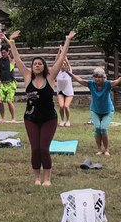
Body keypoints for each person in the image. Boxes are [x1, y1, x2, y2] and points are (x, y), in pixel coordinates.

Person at [7, 29, 75, 186]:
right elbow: (16, 58)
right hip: (31, 118)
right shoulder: (27, 77)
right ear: (32, 67)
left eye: (40, 63)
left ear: (44, 66)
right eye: (35, 64)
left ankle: (47, 178)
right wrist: (11, 41)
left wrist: (67, 41)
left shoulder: (50, 77)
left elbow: (61, 58)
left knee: (44, 148)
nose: (37, 65)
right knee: (35, 149)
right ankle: (37, 178)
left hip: (48, 118)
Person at [64, 63, 121, 156]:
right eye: (95, 77)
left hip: (108, 111)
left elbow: (117, 81)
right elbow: (79, 80)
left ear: (104, 78)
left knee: (103, 128)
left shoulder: (107, 84)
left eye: (100, 77)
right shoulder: (91, 84)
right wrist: (69, 73)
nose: (97, 79)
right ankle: (99, 149)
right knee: (97, 128)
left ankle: (106, 149)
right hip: (95, 111)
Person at [0, 33, 18, 121]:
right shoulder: (0, 59)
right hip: (2, 84)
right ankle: (3, 118)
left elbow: (12, 48)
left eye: (4, 52)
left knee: (9, 101)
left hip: (10, 83)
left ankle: (13, 118)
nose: (3, 54)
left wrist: (5, 38)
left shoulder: (11, 59)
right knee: (0, 101)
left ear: (8, 52)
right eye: (2, 52)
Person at [55, 63, 75, 127]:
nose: (62, 65)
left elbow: (68, 63)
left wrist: (64, 55)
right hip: (60, 92)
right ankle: (62, 120)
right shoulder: (58, 72)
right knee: (61, 106)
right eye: (61, 64)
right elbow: (56, 62)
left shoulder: (69, 71)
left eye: (64, 64)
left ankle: (68, 120)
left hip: (69, 92)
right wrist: (59, 53)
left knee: (66, 106)